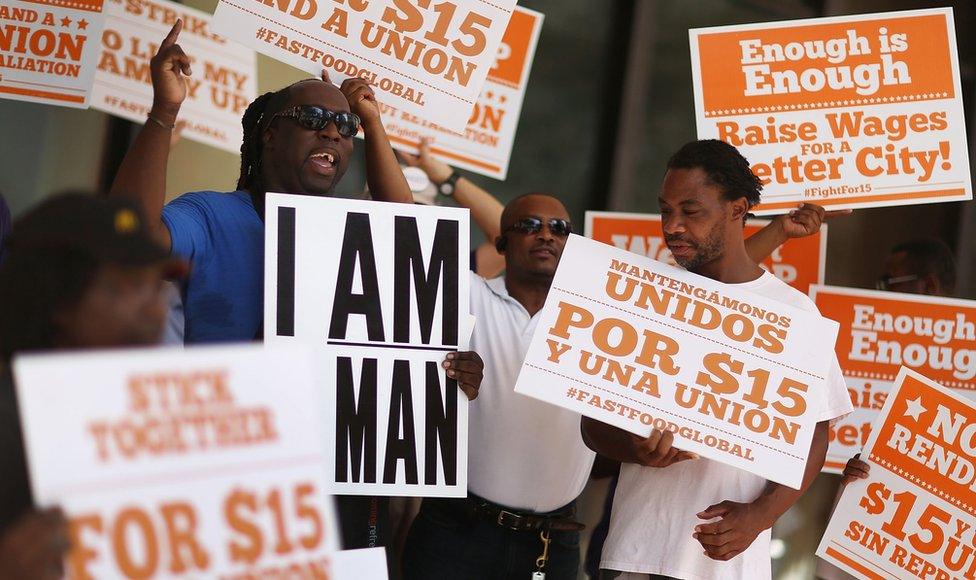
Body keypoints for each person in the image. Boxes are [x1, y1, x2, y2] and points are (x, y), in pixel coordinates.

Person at [107, 21, 484, 558]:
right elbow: (133, 239)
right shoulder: (210, 215)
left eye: (343, 127)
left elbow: (414, 246)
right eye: (312, 120)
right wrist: (164, 113)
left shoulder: (356, 231)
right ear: (268, 135)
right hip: (226, 481)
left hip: (337, 489)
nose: (333, 133)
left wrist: (441, 375)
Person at [582, 139, 853, 580]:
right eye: (665, 210)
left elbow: (814, 437)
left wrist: (760, 515)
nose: (673, 225)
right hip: (634, 552)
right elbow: (590, 427)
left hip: (729, 562)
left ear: (737, 209)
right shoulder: (642, 298)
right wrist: (634, 449)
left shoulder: (794, 313)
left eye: (691, 211)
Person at [0, 193, 186, 580]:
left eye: (156, 287)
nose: (155, 311)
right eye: (125, 288)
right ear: (56, 300)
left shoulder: (158, 427)